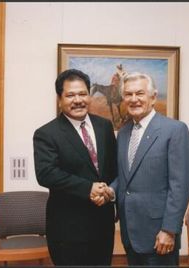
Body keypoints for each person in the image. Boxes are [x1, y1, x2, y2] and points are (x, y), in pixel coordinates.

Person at [105, 72, 189, 266]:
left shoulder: (175, 130)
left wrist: (170, 230)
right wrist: (111, 190)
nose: (134, 99)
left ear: (153, 97)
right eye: (128, 94)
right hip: (130, 230)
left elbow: (180, 186)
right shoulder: (124, 132)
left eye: (140, 93)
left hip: (160, 234)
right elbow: (125, 176)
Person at [33, 69, 117, 266]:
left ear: (89, 95)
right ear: (59, 99)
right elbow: (46, 174)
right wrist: (88, 188)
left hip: (103, 223)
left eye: (82, 94)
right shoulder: (47, 133)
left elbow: (113, 167)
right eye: (70, 95)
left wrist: (109, 192)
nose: (77, 100)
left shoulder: (104, 126)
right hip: (67, 228)